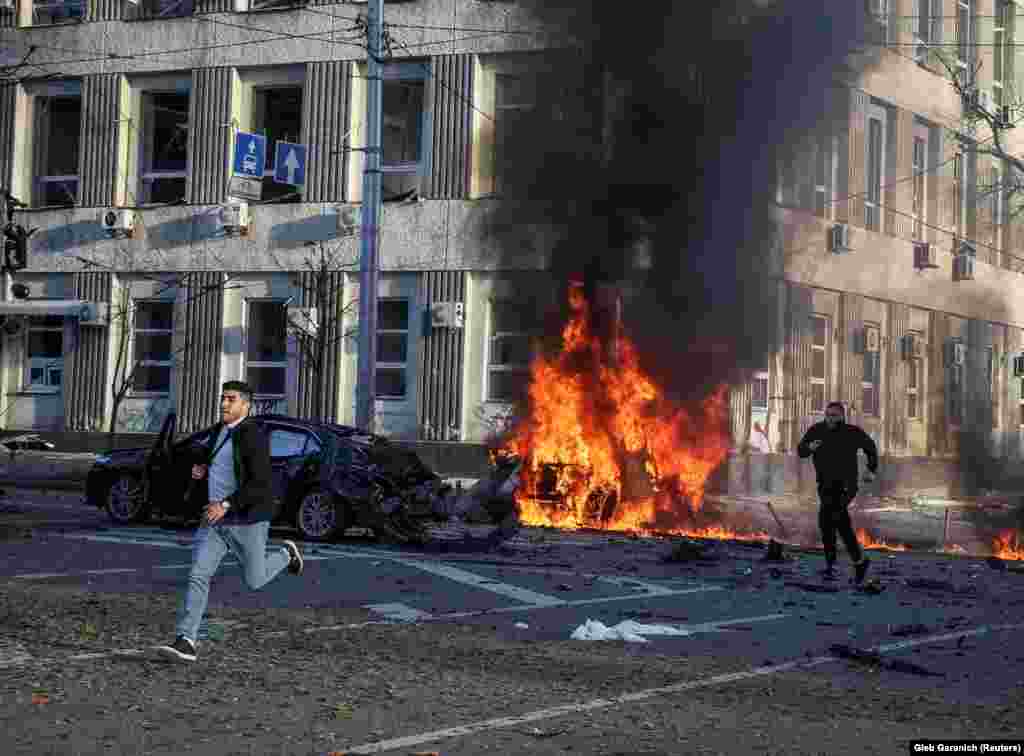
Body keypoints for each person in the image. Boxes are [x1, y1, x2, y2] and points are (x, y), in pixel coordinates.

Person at [156, 380, 304, 663]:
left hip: (245, 519)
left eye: (230, 399)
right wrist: (200, 469)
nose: (224, 404)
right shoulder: (219, 432)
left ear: (245, 405)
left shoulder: (254, 436)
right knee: (198, 574)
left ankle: (286, 554)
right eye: (223, 398)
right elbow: (209, 459)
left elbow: (260, 483)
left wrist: (226, 504)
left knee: (255, 580)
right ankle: (186, 639)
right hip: (214, 521)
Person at [797, 401, 878, 584]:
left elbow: (871, 448)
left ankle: (842, 564)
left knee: (834, 516)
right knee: (830, 522)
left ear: (842, 416)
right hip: (825, 486)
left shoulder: (851, 432)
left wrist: (871, 470)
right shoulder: (817, 430)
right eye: (827, 415)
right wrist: (810, 448)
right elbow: (800, 451)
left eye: (834, 415)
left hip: (846, 487)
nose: (830, 419)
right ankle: (853, 562)